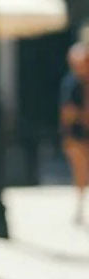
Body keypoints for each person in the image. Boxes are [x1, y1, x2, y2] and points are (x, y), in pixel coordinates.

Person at [59, 41, 89, 224]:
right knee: (80, 170)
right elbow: (67, 113)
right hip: (77, 135)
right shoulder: (71, 84)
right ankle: (79, 207)